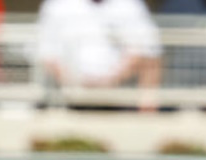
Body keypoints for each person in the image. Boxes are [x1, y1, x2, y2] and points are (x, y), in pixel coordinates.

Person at [33, 0, 163, 110]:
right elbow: (46, 52)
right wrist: (74, 83)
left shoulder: (130, 4)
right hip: (66, 101)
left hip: (118, 101)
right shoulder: (56, 4)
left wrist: (112, 80)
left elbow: (148, 50)